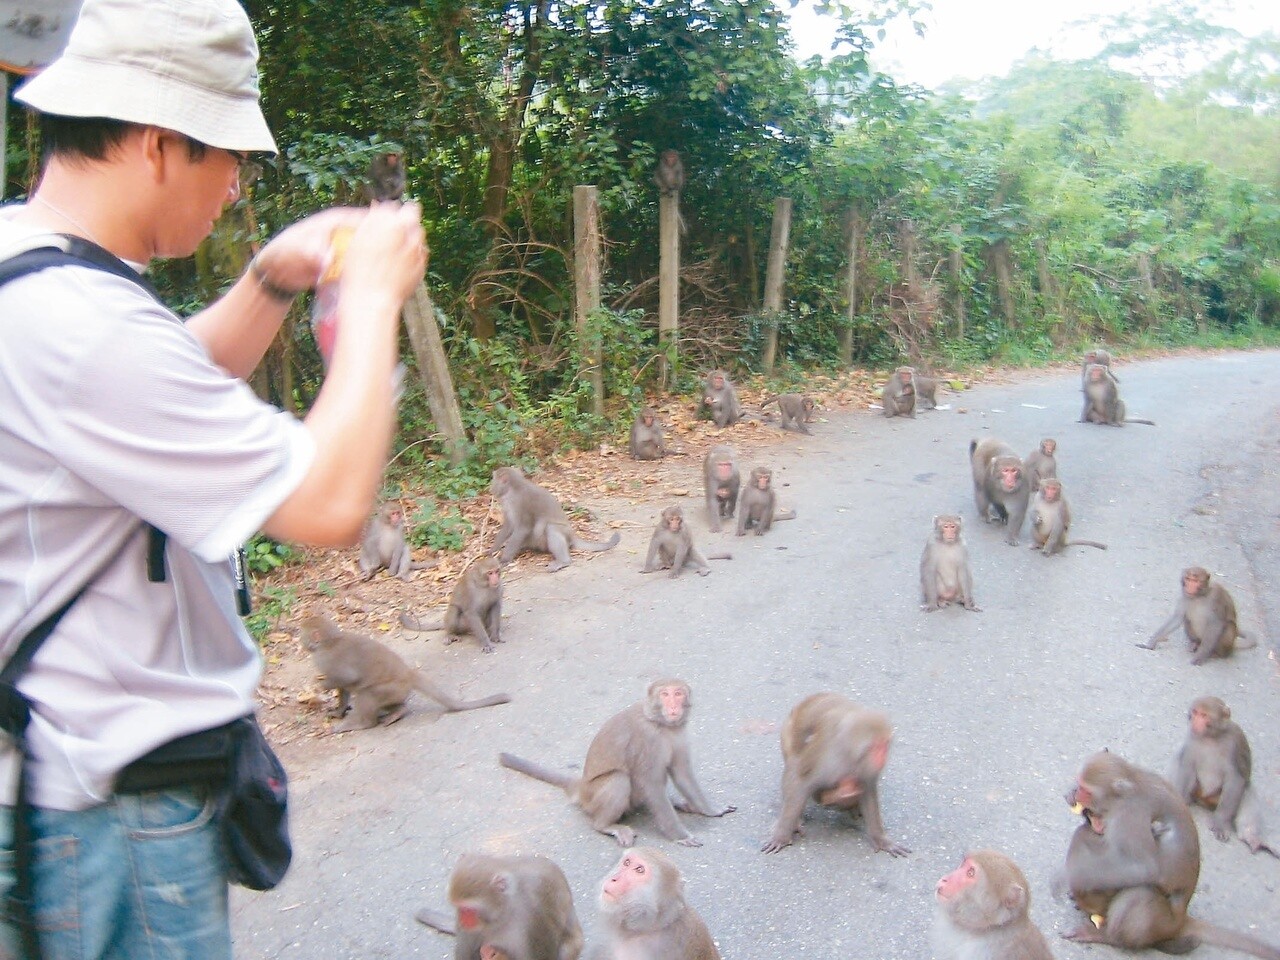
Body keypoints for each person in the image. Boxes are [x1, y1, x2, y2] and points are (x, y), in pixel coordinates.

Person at [0, 0, 426, 956]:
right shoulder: (86, 323)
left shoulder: (31, 267)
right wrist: (371, 309)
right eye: (227, 155)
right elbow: (327, 503)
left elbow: (148, 399)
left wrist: (273, 278)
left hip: (74, 780)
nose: (236, 186)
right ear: (157, 143)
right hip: (117, 816)